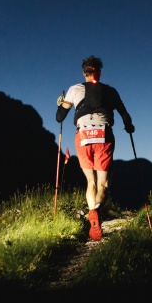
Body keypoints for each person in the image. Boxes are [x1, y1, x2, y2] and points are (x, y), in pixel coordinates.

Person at [56, 55, 135, 241]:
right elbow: (126, 116)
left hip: (82, 134)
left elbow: (60, 117)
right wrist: (129, 127)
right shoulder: (111, 91)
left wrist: (61, 103)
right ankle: (97, 210)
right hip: (104, 135)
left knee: (90, 182)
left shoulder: (74, 90)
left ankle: (92, 213)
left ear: (84, 73)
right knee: (103, 185)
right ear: (99, 72)